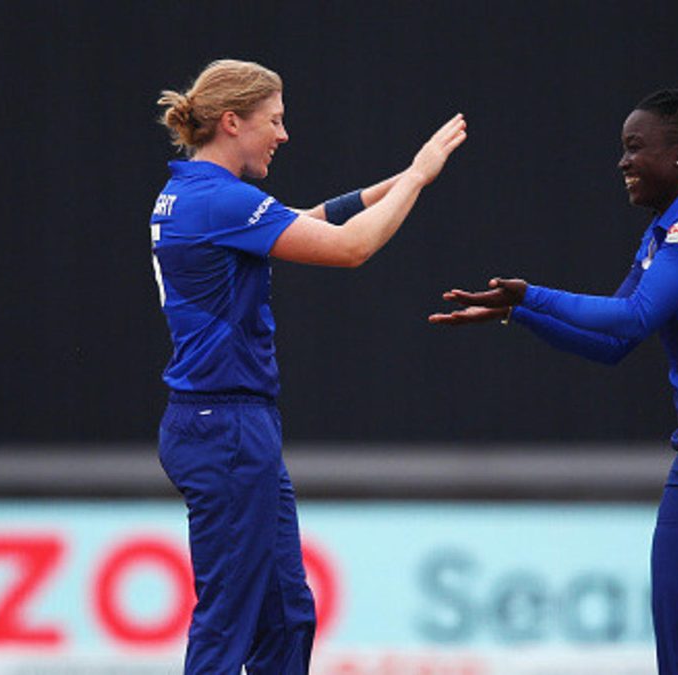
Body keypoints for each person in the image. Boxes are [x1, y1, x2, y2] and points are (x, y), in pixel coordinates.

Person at [429, 89, 678, 674]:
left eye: (635, 148)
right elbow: (613, 343)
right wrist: (520, 313)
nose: (622, 162)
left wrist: (533, 293)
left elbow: (634, 316)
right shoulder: (665, 232)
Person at [150, 59, 466, 674]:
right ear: (233, 121)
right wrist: (421, 177)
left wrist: (405, 179)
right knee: (229, 618)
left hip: (229, 423)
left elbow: (308, 221)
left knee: (287, 613)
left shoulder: (196, 193)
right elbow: (350, 248)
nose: (283, 135)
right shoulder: (218, 201)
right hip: (226, 427)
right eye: (274, 120)